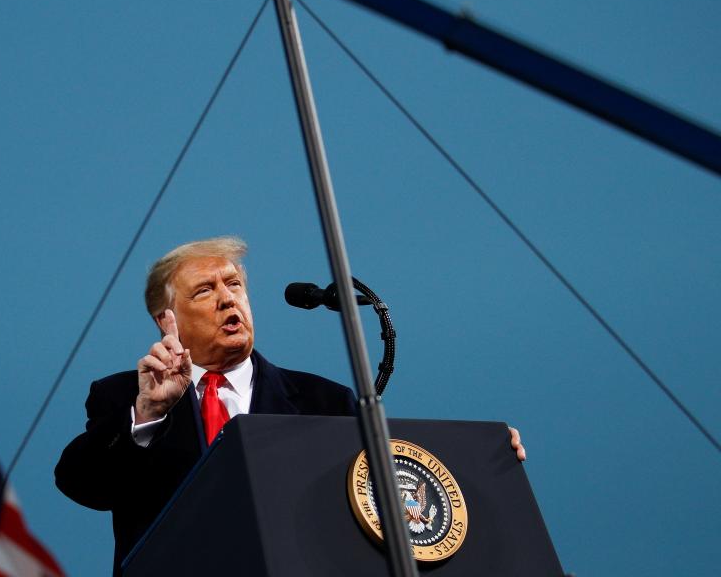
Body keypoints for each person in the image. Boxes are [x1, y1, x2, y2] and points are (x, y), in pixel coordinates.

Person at [55, 236, 524, 574]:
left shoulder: (326, 401)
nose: (226, 300)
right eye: (205, 290)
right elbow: (83, 484)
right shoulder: (125, 395)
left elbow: (388, 496)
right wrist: (148, 415)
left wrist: (481, 460)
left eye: (234, 285)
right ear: (166, 320)